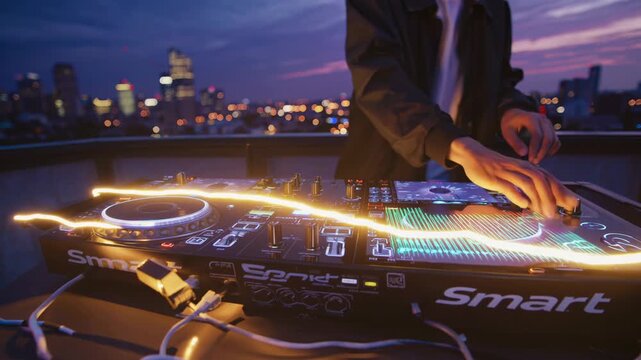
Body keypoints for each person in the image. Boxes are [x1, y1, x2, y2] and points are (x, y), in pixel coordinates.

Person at [335, 0, 578, 218]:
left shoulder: (494, 7)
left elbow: (499, 78)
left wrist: (511, 109)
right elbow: (378, 81)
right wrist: (465, 149)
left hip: (463, 188)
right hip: (383, 177)